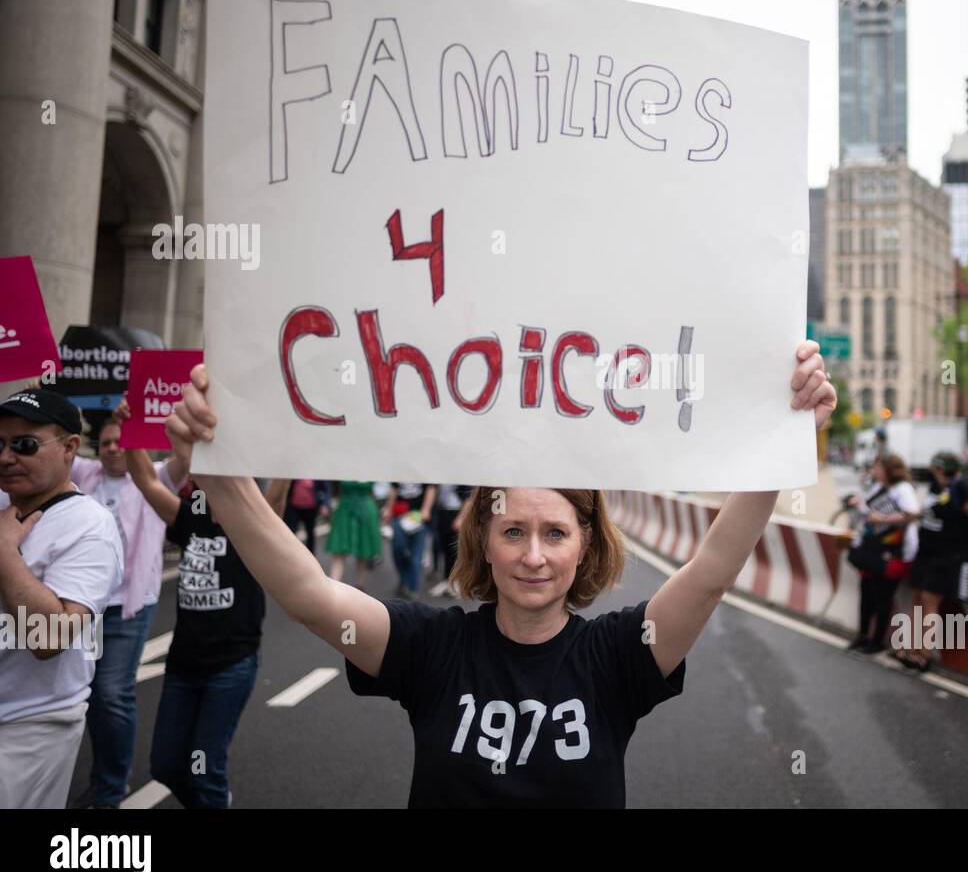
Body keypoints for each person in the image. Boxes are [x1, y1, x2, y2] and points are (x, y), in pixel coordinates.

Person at [161, 342, 834, 807]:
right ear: (481, 539)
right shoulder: (432, 646)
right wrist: (219, 474)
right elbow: (307, 594)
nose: (533, 555)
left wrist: (785, 437)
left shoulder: (618, 656)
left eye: (554, 533)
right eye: (513, 530)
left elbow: (712, 572)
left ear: (587, 545)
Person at [124, 446, 287, 807]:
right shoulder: (188, 521)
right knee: (166, 766)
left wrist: (289, 454)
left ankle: (213, 800)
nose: (208, 486)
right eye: (204, 481)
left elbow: (275, 497)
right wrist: (130, 433)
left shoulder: (254, 532)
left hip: (230, 668)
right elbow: (145, 480)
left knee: (204, 769)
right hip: (182, 667)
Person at [0, 389, 123, 809]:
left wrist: (5, 553)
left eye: (24, 445)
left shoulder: (90, 526)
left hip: (28, 727)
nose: (6, 457)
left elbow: (48, 637)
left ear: (70, 447)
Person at [70, 401, 184, 809]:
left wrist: (145, 419)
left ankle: (110, 788)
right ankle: (100, 779)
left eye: (120, 441)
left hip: (129, 607)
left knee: (111, 692)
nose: (114, 449)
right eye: (105, 443)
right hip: (81, 607)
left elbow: (185, 459)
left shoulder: (153, 477)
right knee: (81, 697)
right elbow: (51, 449)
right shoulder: (84, 474)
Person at [899, 452, 968, 671]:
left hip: (947, 554)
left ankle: (923, 654)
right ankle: (910, 647)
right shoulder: (936, 486)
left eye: (936, 468)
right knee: (918, 599)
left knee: (930, 602)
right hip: (926, 551)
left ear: (943, 469)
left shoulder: (963, 487)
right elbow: (930, 512)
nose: (933, 472)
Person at [845, 453, 919, 655]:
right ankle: (862, 636)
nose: (873, 471)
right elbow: (867, 507)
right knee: (866, 593)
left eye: (877, 467)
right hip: (872, 549)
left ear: (888, 469)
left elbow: (912, 514)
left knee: (882, 596)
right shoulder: (879, 488)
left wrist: (883, 518)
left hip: (892, 552)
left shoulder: (902, 490)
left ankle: (876, 640)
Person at [326, 481, 383, 591]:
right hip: (346, 509)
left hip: (363, 510)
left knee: (363, 551)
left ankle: (359, 587)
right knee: (339, 550)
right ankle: (333, 589)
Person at [383, 482, 434, 600]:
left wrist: (426, 509)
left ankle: (413, 588)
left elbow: (431, 487)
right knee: (397, 549)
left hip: (418, 516)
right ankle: (404, 579)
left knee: (416, 556)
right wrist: (388, 509)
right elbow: (394, 487)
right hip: (399, 515)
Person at [284, 479, 331, 555]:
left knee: (310, 533)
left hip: (310, 507)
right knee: (291, 531)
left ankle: (311, 555)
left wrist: (325, 504)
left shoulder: (317, 473)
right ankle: (289, 553)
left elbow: (326, 488)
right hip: (294, 506)